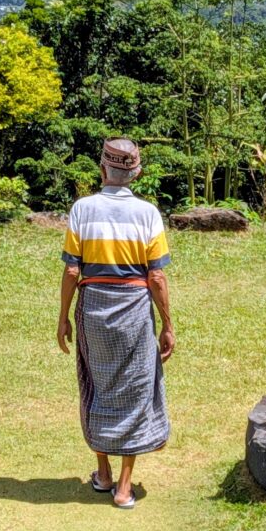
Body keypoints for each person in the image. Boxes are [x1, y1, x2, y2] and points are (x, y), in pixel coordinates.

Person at [57, 138, 174, 509]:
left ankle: (103, 472)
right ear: (135, 174)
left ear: (103, 169)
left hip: (92, 308)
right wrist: (168, 323)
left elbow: (73, 269)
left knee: (97, 383)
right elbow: (156, 278)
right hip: (135, 309)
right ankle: (123, 487)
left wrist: (63, 318)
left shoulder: (82, 209)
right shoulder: (148, 214)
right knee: (136, 389)